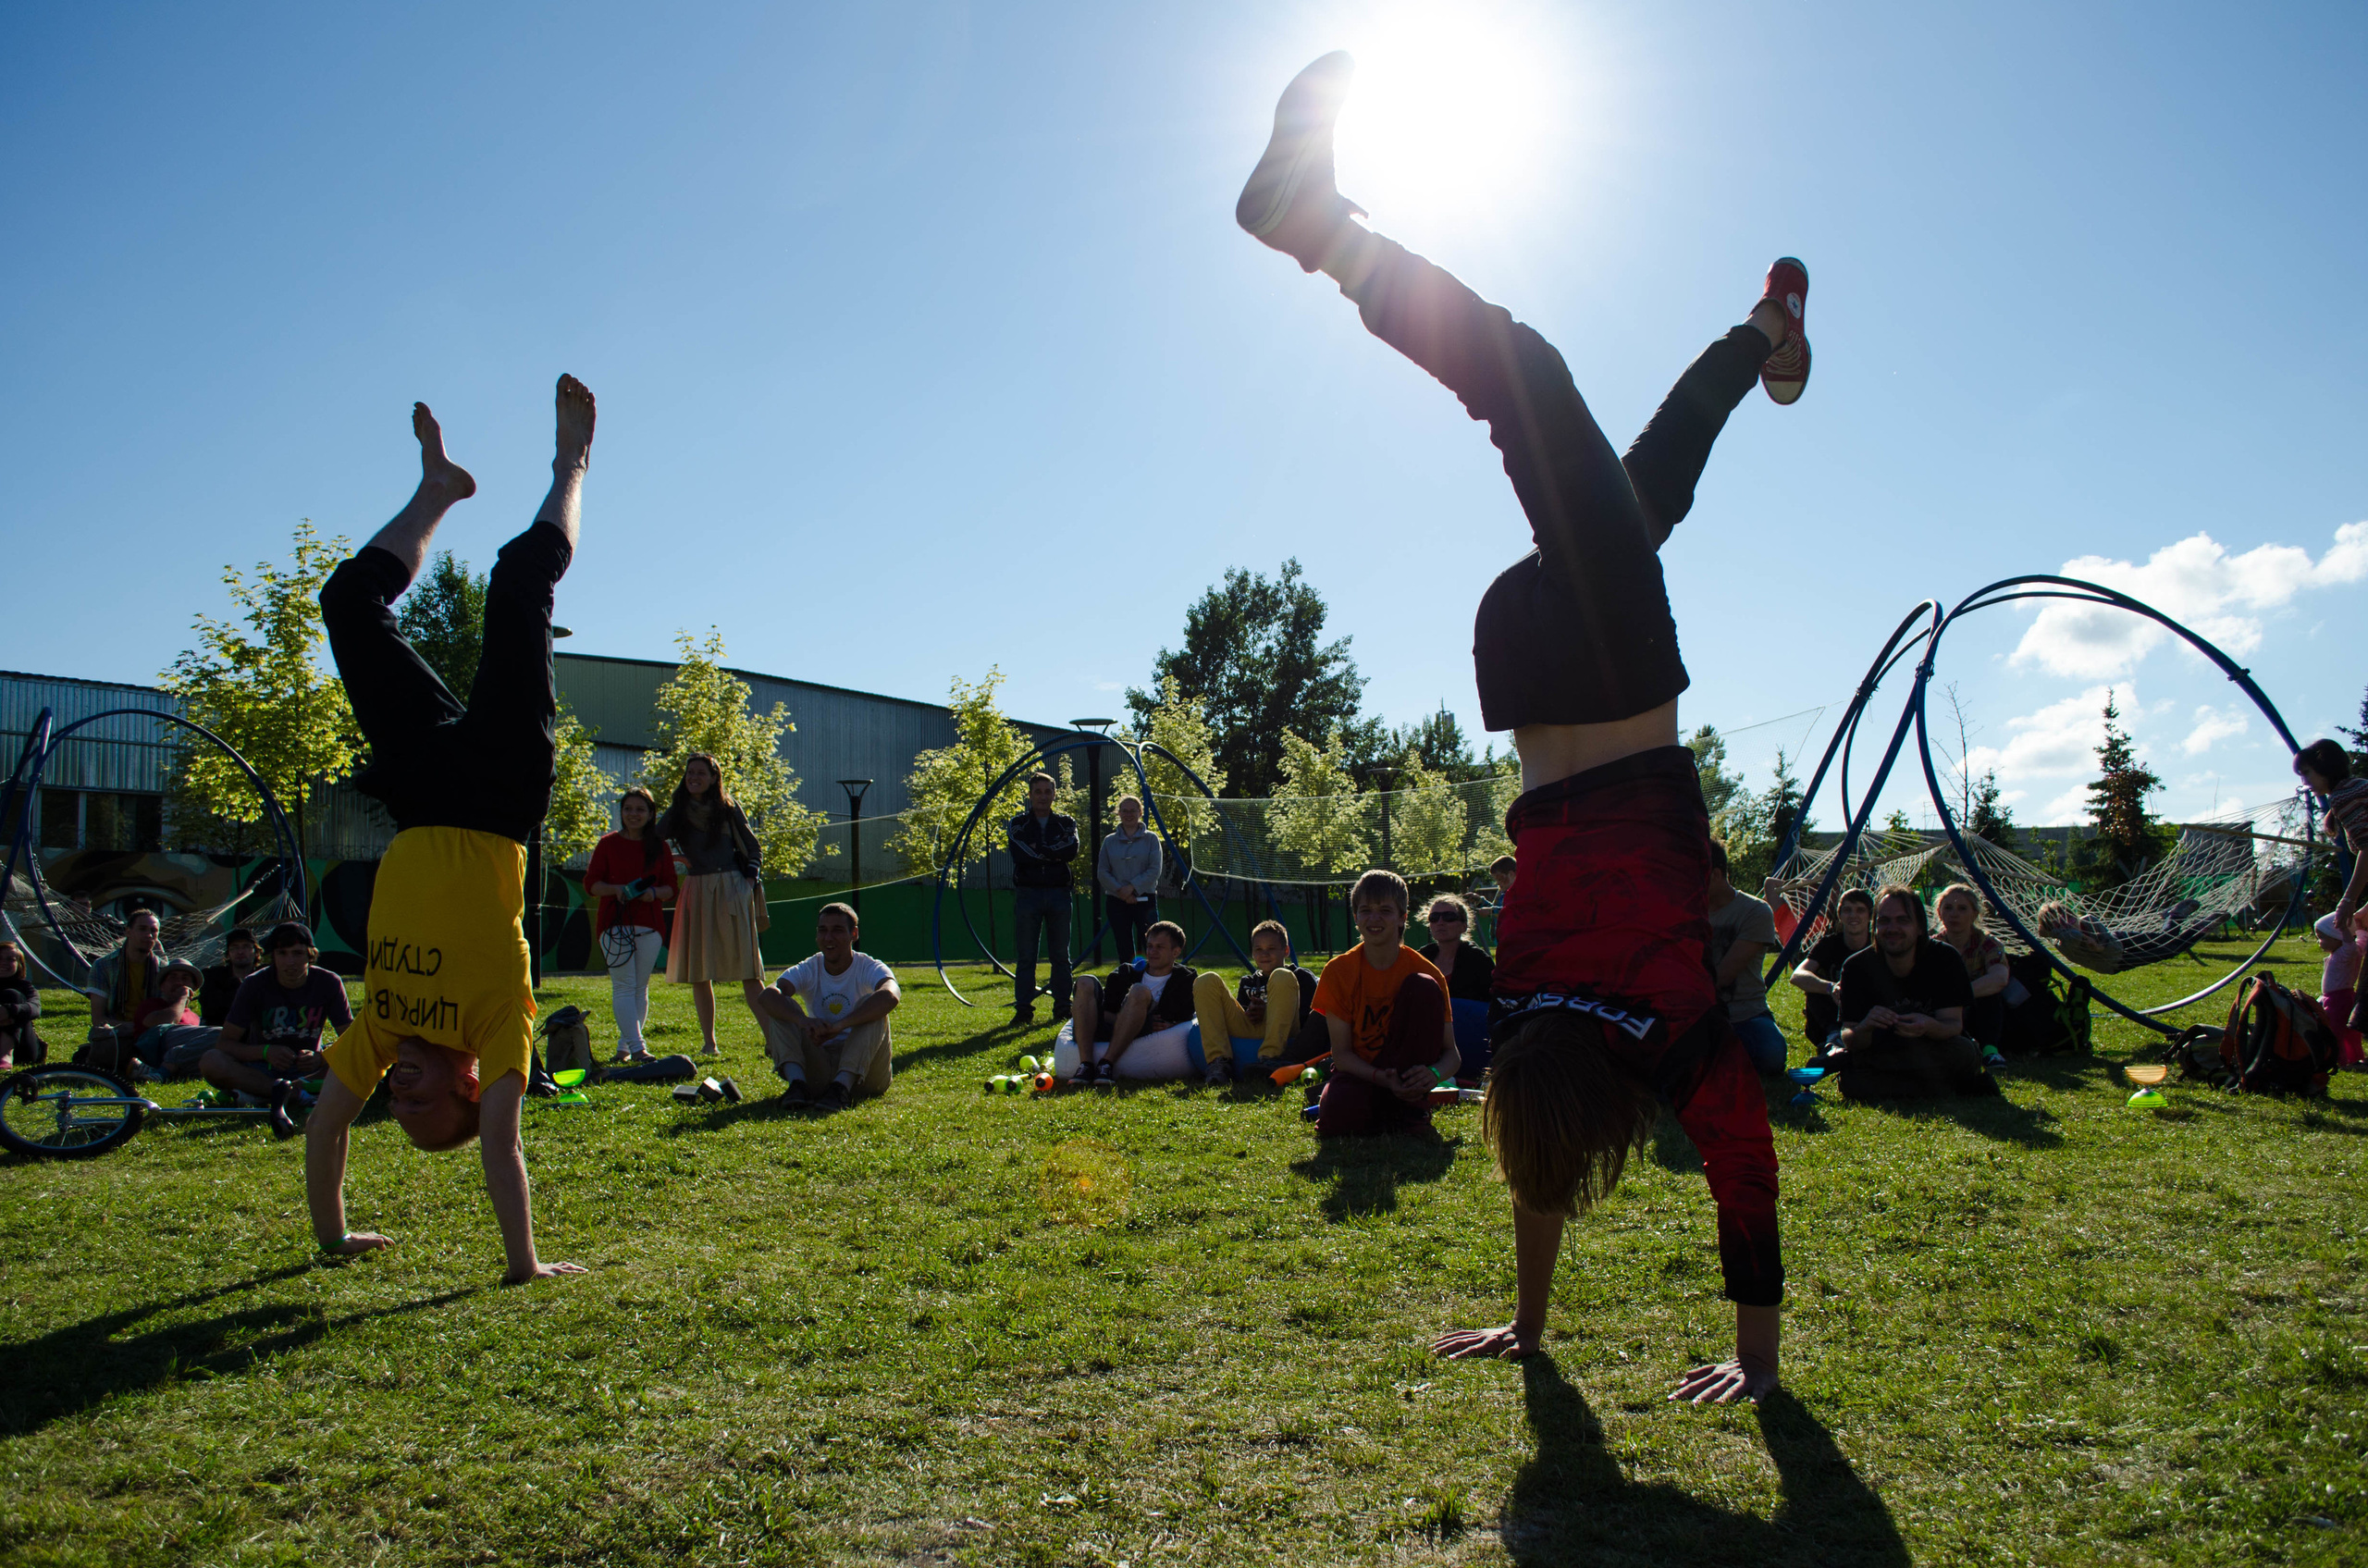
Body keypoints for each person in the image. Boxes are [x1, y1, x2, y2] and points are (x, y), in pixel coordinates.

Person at [1235, 51, 1798, 1400]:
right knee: (1642, 482)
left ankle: (1307, 226)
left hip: (1613, 678)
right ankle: (1767, 337)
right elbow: (1532, 1153)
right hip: (1526, 673)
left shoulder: (1660, 1037)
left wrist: (1758, 1364)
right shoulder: (1529, 989)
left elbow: (1742, 1169)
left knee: (1525, 379)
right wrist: (1532, 1331)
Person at [301, 379, 594, 1284]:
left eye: (399, 1105)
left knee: (347, 604)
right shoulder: (501, 1022)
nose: (403, 1093)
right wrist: (522, 1265)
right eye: (426, 1107)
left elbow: (322, 1129)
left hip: (420, 794)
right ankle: (571, 465)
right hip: (501, 797)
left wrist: (329, 1237)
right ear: (472, 1086)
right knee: (517, 584)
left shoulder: (383, 1025)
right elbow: (503, 1149)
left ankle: (438, 491)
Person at [1309, 870, 1460, 1135]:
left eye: (1385, 910)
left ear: (1402, 918)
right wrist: (1380, 1078)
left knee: (1422, 985)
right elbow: (1342, 1054)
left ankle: (1409, 1106)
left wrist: (1433, 1075)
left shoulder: (1429, 972)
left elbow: (1452, 1055)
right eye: (1366, 910)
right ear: (1356, 917)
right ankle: (1387, 1110)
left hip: (1407, 1072)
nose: (1374, 918)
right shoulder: (1339, 971)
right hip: (1362, 1072)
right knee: (1335, 1120)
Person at [1830, 886, 1992, 1100]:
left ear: (1920, 928)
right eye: (1885, 921)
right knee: (1858, 1059)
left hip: (1933, 1048)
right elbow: (1849, 1037)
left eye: (1903, 920)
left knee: (1964, 1052)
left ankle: (1892, 1086)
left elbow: (1953, 1025)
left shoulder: (1945, 959)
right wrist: (1865, 1026)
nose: (1893, 928)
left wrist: (1928, 1026)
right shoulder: (1856, 966)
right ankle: (1938, 1088)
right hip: (1881, 1048)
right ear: (1875, 927)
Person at [657, 754, 769, 1057]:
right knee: (699, 970)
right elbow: (653, 841)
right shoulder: (678, 809)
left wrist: (747, 882)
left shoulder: (728, 806)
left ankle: (773, 1038)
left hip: (731, 885)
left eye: (700, 773)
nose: (694, 777)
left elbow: (754, 846)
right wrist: (676, 859)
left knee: (749, 968)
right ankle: (710, 1042)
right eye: (690, 772)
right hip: (696, 887)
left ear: (713, 776)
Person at [754, 902, 899, 1109]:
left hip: (866, 1073)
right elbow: (767, 996)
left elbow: (890, 996)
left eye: (838, 930)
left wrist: (840, 1026)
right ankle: (798, 1085)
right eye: (823, 930)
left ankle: (841, 1088)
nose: (828, 938)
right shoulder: (809, 967)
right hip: (820, 1067)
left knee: (873, 1004)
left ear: (854, 934)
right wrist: (803, 1021)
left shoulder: (868, 966)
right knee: (781, 1006)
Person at [204, 920, 352, 1103]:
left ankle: (271, 1093)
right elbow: (225, 1043)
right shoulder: (254, 984)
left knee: (365, 1060)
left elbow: (350, 1038)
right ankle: (296, 1093)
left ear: (310, 955)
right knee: (211, 1061)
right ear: (272, 956)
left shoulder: (329, 982)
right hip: (262, 1068)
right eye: (282, 954)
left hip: (310, 1068)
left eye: (297, 953)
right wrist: (265, 1052)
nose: (290, 962)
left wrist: (322, 1058)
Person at [584, 786, 679, 1062]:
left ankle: (624, 1049)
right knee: (624, 986)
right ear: (621, 812)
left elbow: (670, 888)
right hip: (614, 925)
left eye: (640, 809)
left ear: (651, 814)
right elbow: (591, 884)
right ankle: (638, 1049)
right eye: (628, 809)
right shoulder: (608, 844)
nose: (633, 814)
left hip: (649, 925)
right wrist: (617, 889)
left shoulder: (659, 847)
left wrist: (651, 893)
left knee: (640, 987)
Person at [1068, 920, 1199, 1086]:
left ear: (1176, 952)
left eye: (1160, 947)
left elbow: (1191, 1019)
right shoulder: (1126, 972)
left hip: (1148, 1030)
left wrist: (1171, 1025)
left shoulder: (1185, 979)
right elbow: (1105, 1012)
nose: (1152, 952)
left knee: (1139, 991)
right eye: (1150, 946)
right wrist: (1130, 1020)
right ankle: (1086, 1065)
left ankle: (1106, 1064)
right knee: (1085, 981)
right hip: (1115, 1025)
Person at [1192, 918, 1322, 1078]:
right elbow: (1242, 1016)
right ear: (1253, 953)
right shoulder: (1248, 981)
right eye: (1259, 949)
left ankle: (1270, 1058)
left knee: (1281, 975)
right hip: (1253, 1030)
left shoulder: (1300, 977)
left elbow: (1311, 1021)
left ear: (1286, 951)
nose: (1265, 954)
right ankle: (1219, 1062)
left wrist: (1268, 1014)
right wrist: (1251, 1013)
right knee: (1206, 979)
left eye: (1271, 948)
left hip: (1286, 1030)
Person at [1705, 842, 1786, 1074]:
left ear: (1715, 875)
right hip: (1698, 1013)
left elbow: (1723, 976)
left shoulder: (1755, 911)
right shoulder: (1687, 910)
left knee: (1771, 1054)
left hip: (1745, 1015)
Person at [1007, 772, 1079, 1026]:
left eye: (1047, 791)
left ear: (1054, 794)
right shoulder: (1018, 823)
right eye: (1038, 791)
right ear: (1030, 794)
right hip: (1028, 894)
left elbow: (1071, 848)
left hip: (1059, 893)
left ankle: (1063, 1008)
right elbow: (1020, 851)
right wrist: (1053, 854)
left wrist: (1042, 851)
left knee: (1061, 955)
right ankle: (1023, 1010)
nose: (1042, 796)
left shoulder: (1066, 822)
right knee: (1026, 955)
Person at [1419, 893, 1497, 1081]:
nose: (1440, 922)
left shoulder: (1479, 962)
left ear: (1463, 925)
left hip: (1468, 1037)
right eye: (1434, 918)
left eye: (1449, 917)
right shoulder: (1422, 958)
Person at [1788, 887, 1874, 1056]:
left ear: (1870, 916)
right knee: (1814, 986)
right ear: (1840, 915)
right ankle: (1834, 1037)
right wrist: (1831, 988)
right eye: (1847, 910)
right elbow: (1797, 976)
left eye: (1860, 910)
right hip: (1831, 1016)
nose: (1853, 915)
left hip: (1867, 1012)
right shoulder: (1829, 944)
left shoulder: (1878, 944)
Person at [2297, 739, 2368, 939]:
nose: (2304, 782)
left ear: (2324, 767)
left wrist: (2348, 900)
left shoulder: (2346, 796)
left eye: (2306, 773)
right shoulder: (2356, 787)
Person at [1934, 883, 2009, 1067]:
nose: (1954, 914)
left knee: (1990, 995)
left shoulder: (1988, 944)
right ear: (1939, 913)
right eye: (1948, 908)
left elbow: (1999, 979)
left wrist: (1958, 995)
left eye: (1962, 908)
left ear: (1974, 914)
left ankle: (1990, 1052)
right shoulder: (1931, 945)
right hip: (1942, 1013)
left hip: (1978, 1012)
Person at [81, 906, 163, 1053]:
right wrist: (133, 1027)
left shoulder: (163, 969)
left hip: (154, 1032)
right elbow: (98, 1019)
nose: (149, 935)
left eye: (153, 930)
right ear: (128, 931)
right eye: (142, 929)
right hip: (117, 1031)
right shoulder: (103, 966)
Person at [129, 959, 220, 1080]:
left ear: (192, 987)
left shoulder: (195, 1018)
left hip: (186, 1060)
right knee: (221, 1034)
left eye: (185, 978)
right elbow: (166, 1023)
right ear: (162, 986)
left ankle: (162, 1072)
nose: (179, 982)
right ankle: (164, 1069)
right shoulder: (152, 1005)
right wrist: (182, 997)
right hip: (158, 1048)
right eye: (173, 977)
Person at [1096, 796, 1161, 960]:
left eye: (1133, 810)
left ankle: (1151, 981)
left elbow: (1154, 869)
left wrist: (1131, 888)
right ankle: (1128, 980)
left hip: (1145, 899)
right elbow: (1102, 871)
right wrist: (1121, 891)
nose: (1129, 814)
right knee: (1123, 944)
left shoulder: (1151, 839)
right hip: (1117, 900)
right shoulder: (1109, 841)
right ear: (1118, 813)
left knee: (1150, 944)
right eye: (1124, 810)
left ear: (1140, 812)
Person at [199, 927, 259, 1027]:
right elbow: (210, 1009)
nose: (240, 952)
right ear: (228, 952)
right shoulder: (213, 977)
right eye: (235, 947)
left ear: (256, 951)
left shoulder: (265, 976)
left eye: (246, 946)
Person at [0, 940, 43, 1069]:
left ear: (19, 964)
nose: (3, 962)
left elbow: (35, 1009)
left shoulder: (25, 987)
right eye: (0, 958)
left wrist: (8, 1011)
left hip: (23, 1049)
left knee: (12, 995)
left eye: (10, 959)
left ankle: (5, 1054)